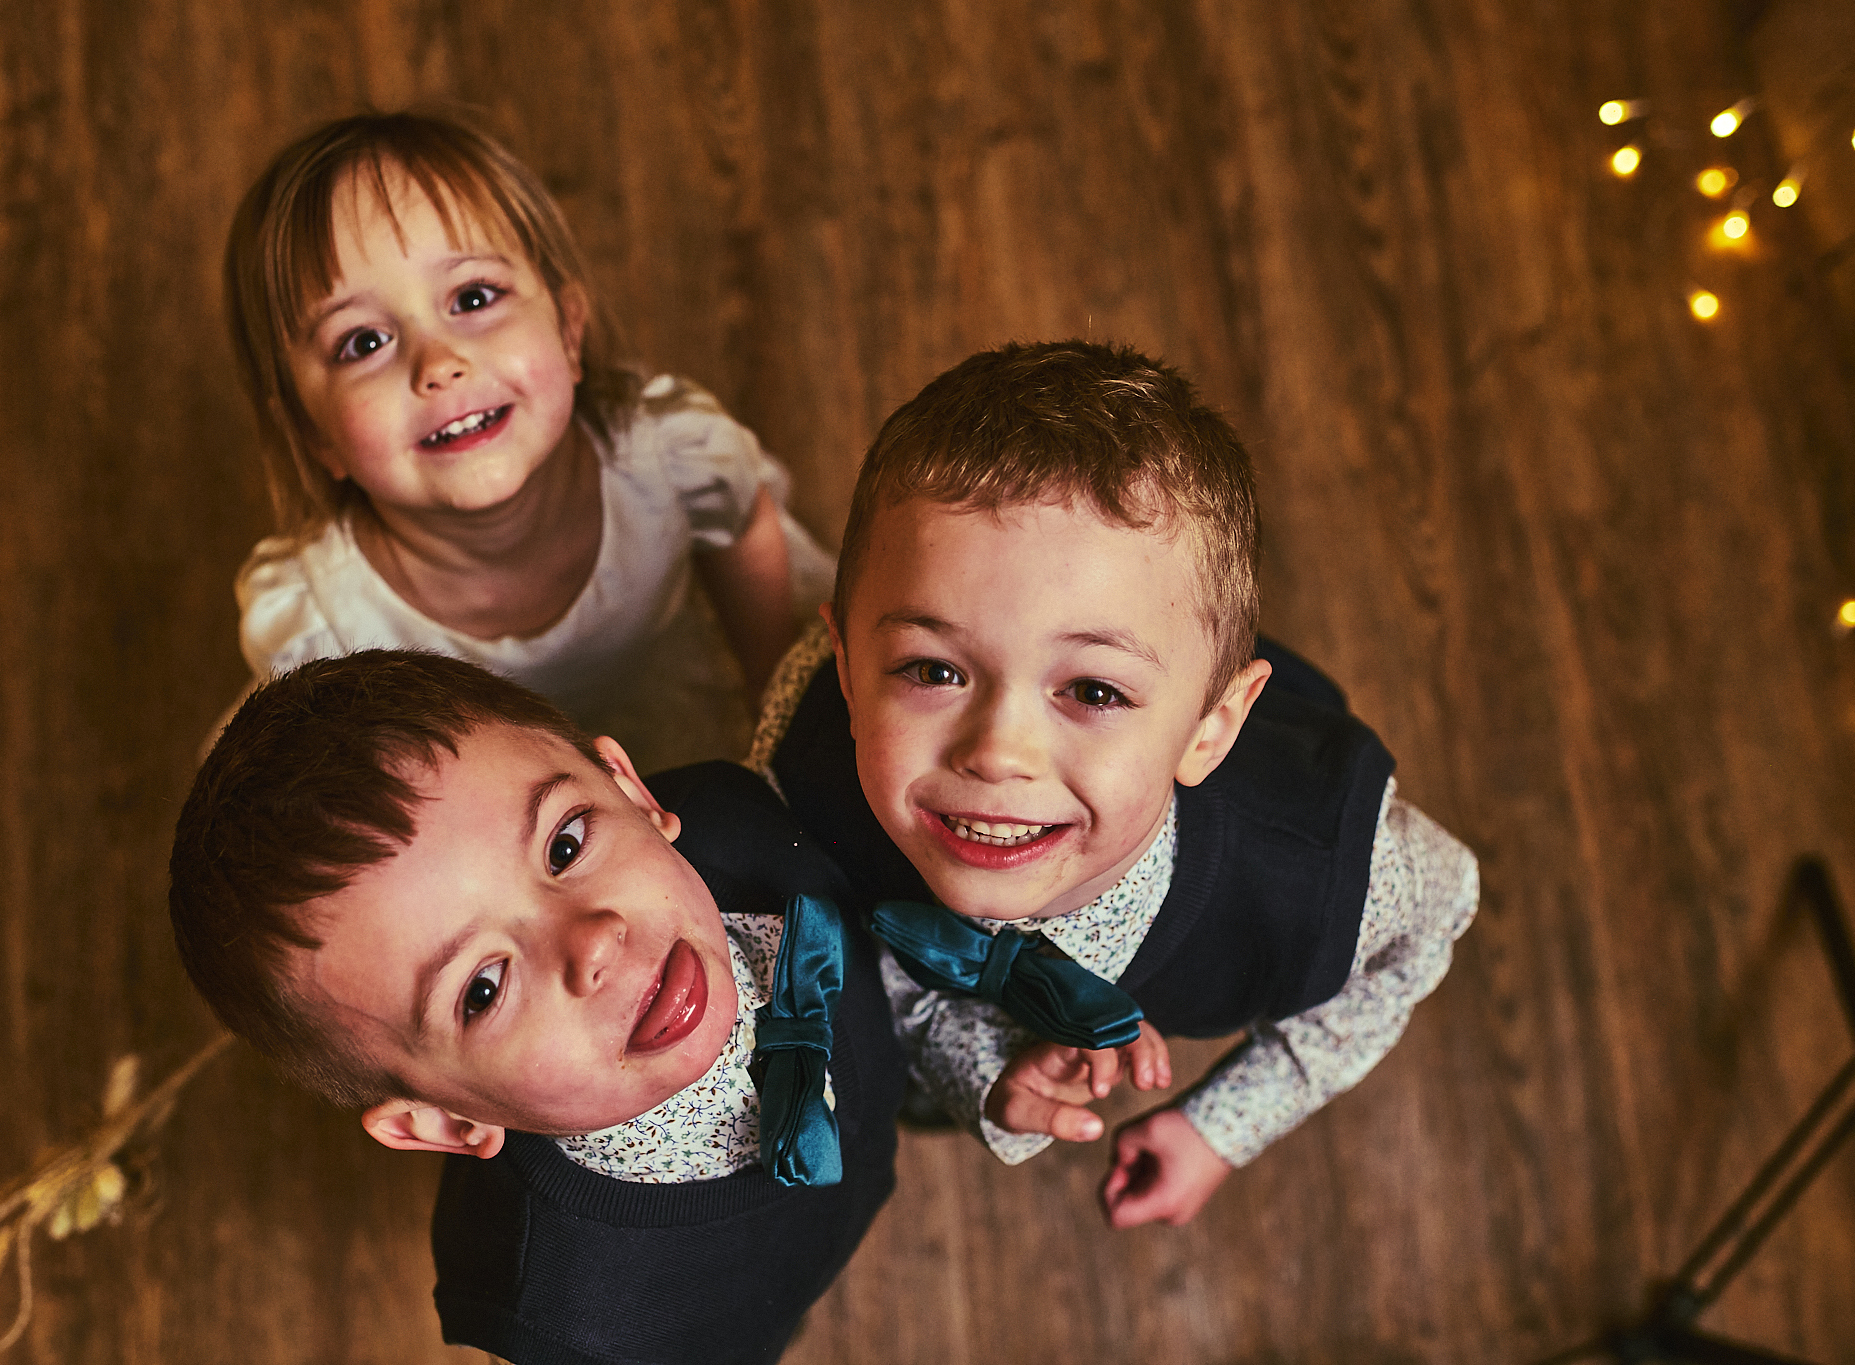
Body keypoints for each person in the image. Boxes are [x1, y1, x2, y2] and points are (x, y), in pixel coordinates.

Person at [750, 340, 1479, 1230]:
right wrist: (982, 1070)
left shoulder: (1318, 871)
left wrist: (1225, 1123)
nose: (999, 754)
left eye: (1093, 691)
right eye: (934, 670)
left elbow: (1441, 910)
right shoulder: (800, 767)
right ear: (847, 667)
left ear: (1211, 727)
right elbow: (868, 971)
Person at [169, 651, 900, 1364]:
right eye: (483, 988)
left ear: (631, 793)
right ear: (443, 1120)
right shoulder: (568, 1320)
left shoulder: (744, 822)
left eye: (565, 844)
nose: (593, 940)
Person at [221, 111, 834, 772]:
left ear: (569, 331)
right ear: (312, 433)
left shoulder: (667, 461)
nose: (439, 364)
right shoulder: (325, 625)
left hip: (689, 708)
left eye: (473, 298)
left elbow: (746, 528)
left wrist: (773, 704)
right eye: (363, 342)